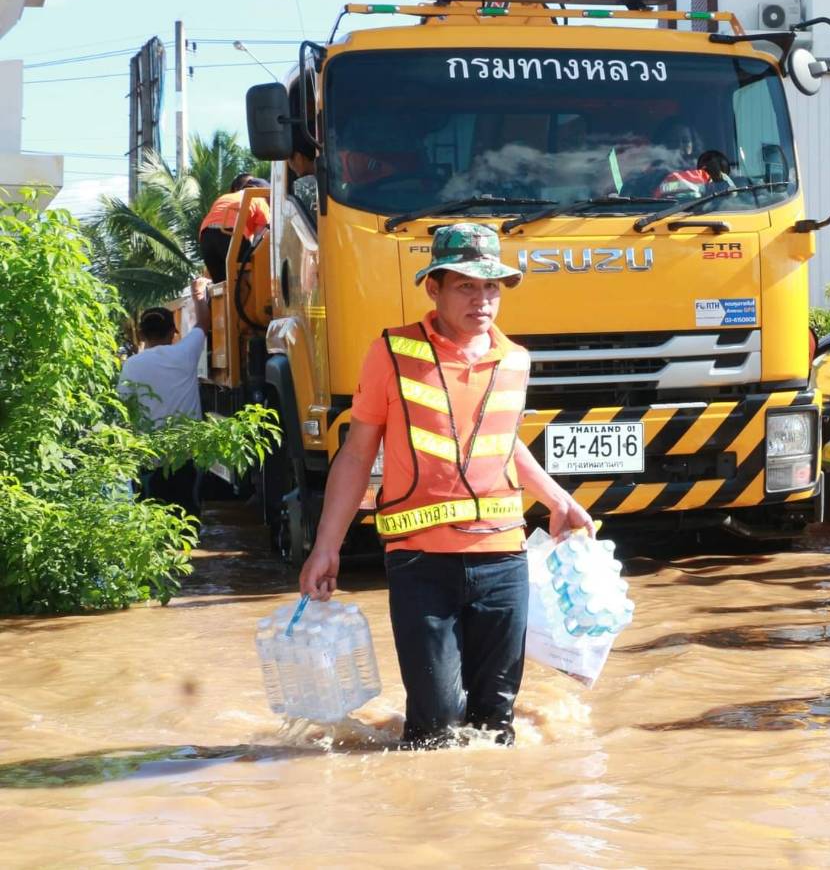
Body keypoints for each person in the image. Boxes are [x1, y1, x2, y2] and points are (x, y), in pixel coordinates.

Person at [297, 223, 593, 748]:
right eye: (466, 286)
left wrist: (558, 499)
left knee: (494, 726)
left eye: (491, 287)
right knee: (434, 728)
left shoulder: (515, 359)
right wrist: (326, 547)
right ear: (433, 287)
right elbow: (357, 454)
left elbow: (504, 443)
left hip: (503, 560)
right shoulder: (391, 353)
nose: (482, 300)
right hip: (421, 563)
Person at [118, 278, 212, 516]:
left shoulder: (132, 365)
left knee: (150, 519)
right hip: (184, 456)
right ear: (173, 332)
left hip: (148, 456)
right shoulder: (185, 353)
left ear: (141, 334)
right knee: (186, 517)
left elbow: (125, 409)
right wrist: (198, 294)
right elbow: (203, 323)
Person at [198, 175, 270, 280]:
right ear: (263, 192)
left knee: (223, 282)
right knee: (251, 273)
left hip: (206, 237)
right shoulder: (260, 200)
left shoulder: (225, 197)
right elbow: (258, 241)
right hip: (230, 235)